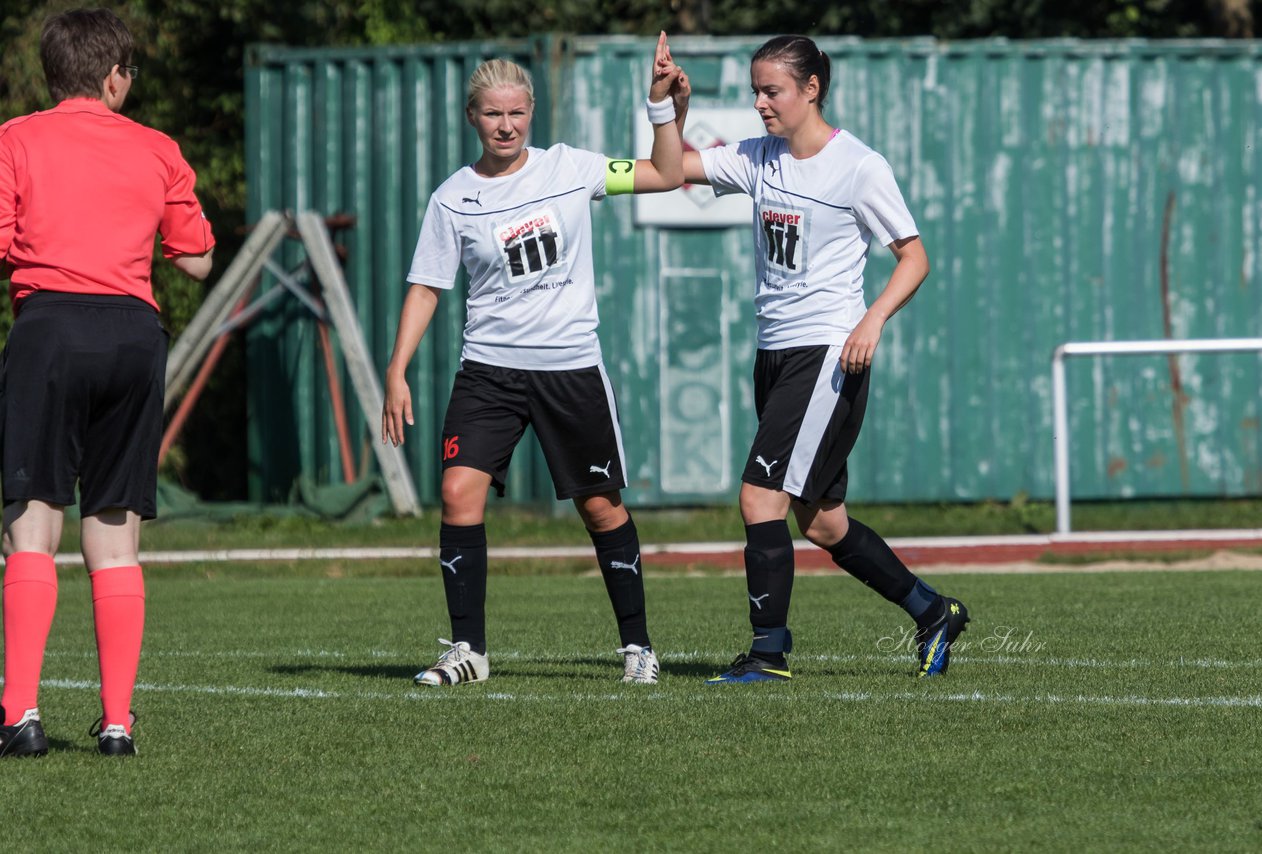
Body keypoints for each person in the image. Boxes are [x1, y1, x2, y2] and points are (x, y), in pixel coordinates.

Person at [382, 35, 685, 687]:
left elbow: (665, 173)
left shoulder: (569, 168)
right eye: (493, 114)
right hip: (488, 370)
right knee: (458, 494)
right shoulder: (452, 198)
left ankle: (638, 648)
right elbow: (427, 287)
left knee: (600, 509)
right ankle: (469, 650)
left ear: (532, 113)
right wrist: (396, 369)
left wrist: (661, 108)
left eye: (517, 113)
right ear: (473, 118)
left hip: (570, 368)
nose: (506, 125)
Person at [671, 35, 970, 683]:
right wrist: (671, 109)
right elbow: (672, 171)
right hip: (775, 355)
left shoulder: (859, 166)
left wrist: (873, 319)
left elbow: (913, 256)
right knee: (824, 523)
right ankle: (932, 611)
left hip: (827, 354)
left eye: (771, 90)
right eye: (755, 90)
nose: (760, 103)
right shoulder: (758, 158)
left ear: (811, 89)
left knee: (760, 498)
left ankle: (768, 653)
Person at [0, 9, 215, 757]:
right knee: (116, 530)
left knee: (33, 519)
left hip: (50, 328)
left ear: (51, 74)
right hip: (132, 334)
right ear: (116, 76)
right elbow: (197, 259)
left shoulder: (15, 139)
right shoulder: (158, 149)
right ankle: (117, 723)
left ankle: (19, 715)